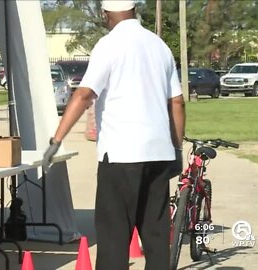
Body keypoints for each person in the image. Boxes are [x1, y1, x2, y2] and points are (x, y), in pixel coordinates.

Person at [42, 1, 186, 269]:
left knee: (114, 236)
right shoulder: (159, 46)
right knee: (155, 237)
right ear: (134, 10)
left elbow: (84, 93)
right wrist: (176, 150)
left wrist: (56, 139)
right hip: (158, 154)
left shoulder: (109, 45)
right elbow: (177, 103)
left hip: (121, 154)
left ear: (105, 14)